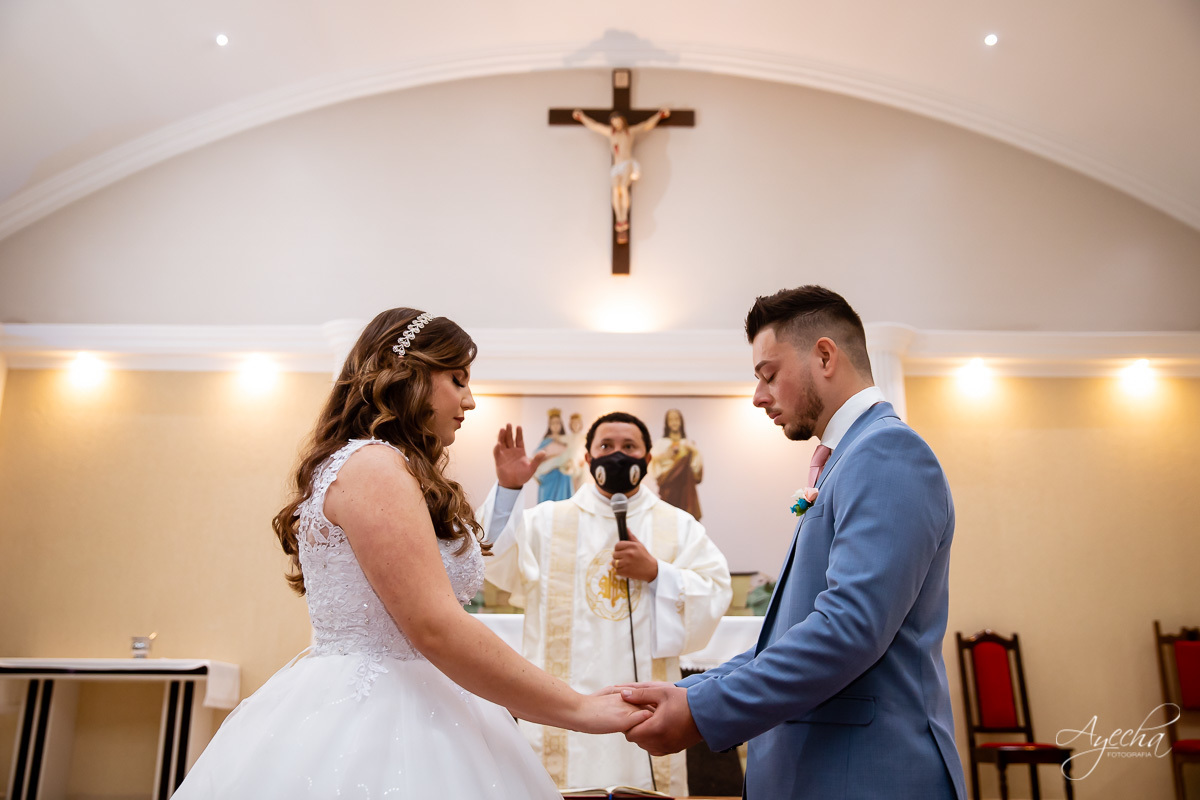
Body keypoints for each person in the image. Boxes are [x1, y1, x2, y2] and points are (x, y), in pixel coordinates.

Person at [173, 309, 650, 798]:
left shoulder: (384, 466)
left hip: (421, 697)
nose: (471, 399)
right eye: (457, 379)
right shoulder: (374, 467)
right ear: (411, 376)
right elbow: (434, 625)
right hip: (375, 713)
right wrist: (578, 708)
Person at [620, 286, 968, 800]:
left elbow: (848, 629)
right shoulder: (848, 458)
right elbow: (787, 638)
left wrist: (701, 713)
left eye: (768, 374)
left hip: (867, 776)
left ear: (824, 356)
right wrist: (686, 692)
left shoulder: (888, 452)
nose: (759, 396)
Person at [476, 412, 732, 796]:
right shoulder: (547, 521)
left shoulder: (678, 525)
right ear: (587, 457)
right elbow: (492, 560)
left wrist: (658, 573)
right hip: (561, 710)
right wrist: (509, 489)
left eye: (629, 447)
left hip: (644, 709)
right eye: (606, 447)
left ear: (647, 460)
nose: (617, 456)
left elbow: (716, 591)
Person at [572, 107, 670, 243]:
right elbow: (595, 126)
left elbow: (646, 125)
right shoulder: (611, 134)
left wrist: (659, 116)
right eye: (614, 122)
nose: (617, 124)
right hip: (616, 166)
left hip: (627, 163)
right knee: (615, 190)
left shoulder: (629, 132)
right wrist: (582, 117)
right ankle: (619, 219)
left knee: (623, 188)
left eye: (618, 122)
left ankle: (624, 217)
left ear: (622, 122)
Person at [649, 408, 704, 520]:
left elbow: (696, 468)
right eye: (671, 420)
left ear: (681, 421)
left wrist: (691, 451)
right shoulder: (661, 443)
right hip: (668, 487)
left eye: (676, 419)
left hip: (685, 488)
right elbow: (652, 461)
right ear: (667, 423)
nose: (674, 422)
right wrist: (666, 455)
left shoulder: (688, 444)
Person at [533, 408, 574, 502]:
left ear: (561, 424)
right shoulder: (546, 441)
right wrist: (553, 457)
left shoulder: (565, 440)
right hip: (548, 477)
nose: (555, 426)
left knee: (562, 505)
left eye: (558, 423)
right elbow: (536, 457)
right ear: (549, 425)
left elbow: (571, 457)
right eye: (553, 423)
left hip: (563, 477)